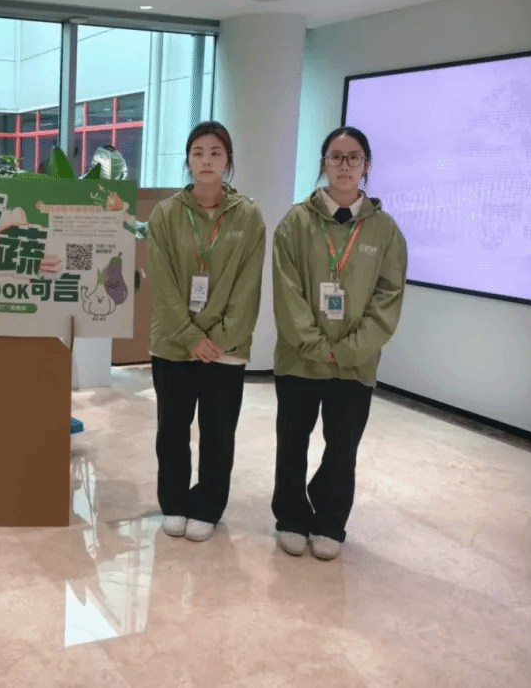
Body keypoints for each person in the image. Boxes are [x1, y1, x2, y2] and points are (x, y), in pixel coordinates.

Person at [271, 126, 407, 560]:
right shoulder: (296, 223)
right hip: (299, 359)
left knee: (343, 447)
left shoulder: (385, 231)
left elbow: (388, 298)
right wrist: (316, 345)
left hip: (354, 364)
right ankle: (291, 516)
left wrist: (347, 350)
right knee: (292, 442)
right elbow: (287, 291)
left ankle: (330, 520)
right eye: (336, 156)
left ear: (366, 165)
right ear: (323, 163)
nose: (344, 165)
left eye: (353, 157)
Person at [147, 121, 266, 542]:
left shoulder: (248, 216)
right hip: (173, 344)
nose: (206, 161)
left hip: (225, 348)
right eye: (198, 152)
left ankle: (209, 505)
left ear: (228, 160)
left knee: (218, 434)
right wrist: (190, 337)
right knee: (172, 431)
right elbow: (161, 284)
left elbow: (249, 286)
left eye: (216, 152)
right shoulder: (166, 214)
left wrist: (218, 338)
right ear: (188, 160)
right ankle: (174, 502)